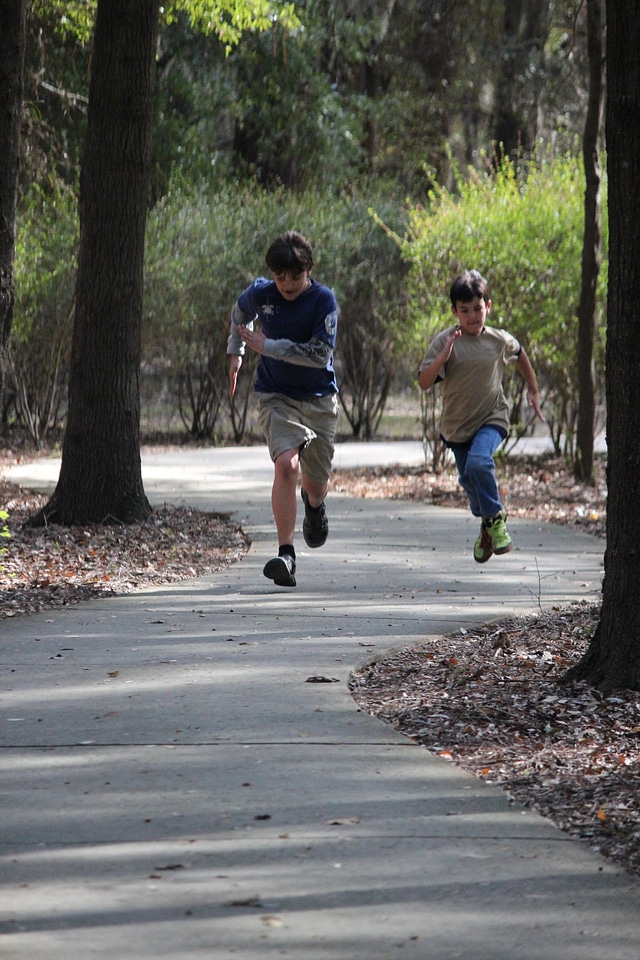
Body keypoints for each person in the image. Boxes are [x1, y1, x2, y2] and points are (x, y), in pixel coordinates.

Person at [227, 230, 339, 587]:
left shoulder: (323, 301)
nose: (287, 284)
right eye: (280, 276)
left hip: (319, 399)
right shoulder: (261, 293)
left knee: (316, 484)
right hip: (276, 396)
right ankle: (286, 555)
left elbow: (320, 356)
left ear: (309, 270)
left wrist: (268, 345)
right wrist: (236, 352)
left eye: (295, 276)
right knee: (286, 465)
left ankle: (315, 505)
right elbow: (239, 313)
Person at [418, 269, 544, 563]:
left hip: (492, 417)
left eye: (478, 308)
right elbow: (424, 382)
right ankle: (487, 525)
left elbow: (520, 352)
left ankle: (496, 520)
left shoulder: (497, 340)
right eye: (465, 311)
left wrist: (533, 389)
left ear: (488, 306)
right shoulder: (445, 341)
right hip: (457, 428)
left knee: (479, 462)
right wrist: (443, 357)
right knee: (472, 489)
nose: (473, 316)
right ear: (454, 312)